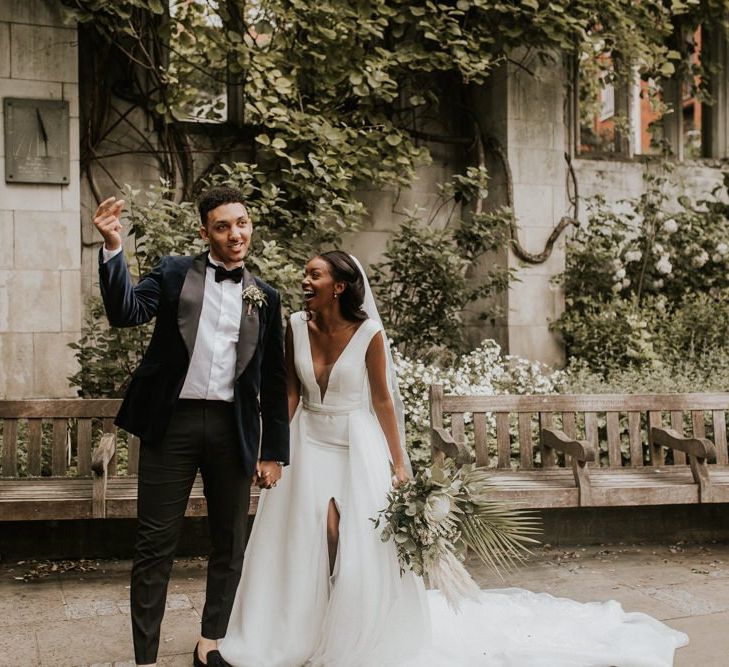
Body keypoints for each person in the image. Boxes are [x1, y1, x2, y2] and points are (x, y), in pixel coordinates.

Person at [218, 249, 689, 667]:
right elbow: (292, 390)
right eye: (306, 273)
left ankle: (351, 629)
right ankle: (299, 627)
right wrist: (273, 450)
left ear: (338, 286)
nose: (305, 280)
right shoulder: (297, 325)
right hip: (308, 438)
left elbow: (383, 400)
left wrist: (399, 462)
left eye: (313, 274)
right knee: (302, 534)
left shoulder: (369, 334)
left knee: (348, 536)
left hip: (355, 441)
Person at [93, 187, 289, 667]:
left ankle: (211, 642)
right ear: (205, 232)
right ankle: (145, 656)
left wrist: (273, 452)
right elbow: (126, 313)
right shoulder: (175, 271)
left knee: (230, 541)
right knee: (154, 543)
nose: (235, 233)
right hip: (172, 424)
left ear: (250, 226)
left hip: (232, 428)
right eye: (222, 226)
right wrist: (113, 246)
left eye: (241, 222)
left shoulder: (264, 296)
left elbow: (272, 377)